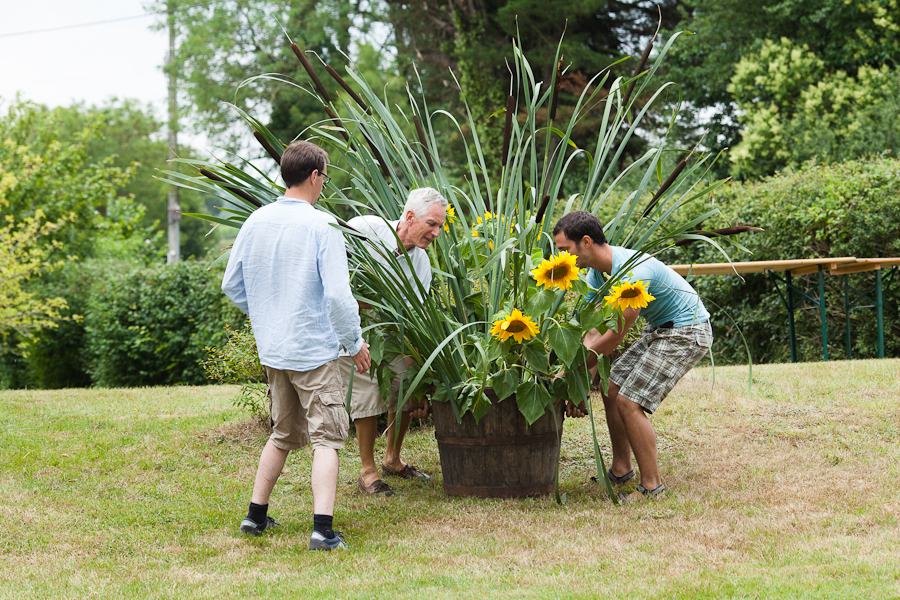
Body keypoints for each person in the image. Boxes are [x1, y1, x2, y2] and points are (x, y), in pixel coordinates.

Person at [222, 140, 371, 550]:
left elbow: (232, 285)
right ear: (315, 176)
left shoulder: (255, 221)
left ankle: (255, 516)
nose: (325, 183)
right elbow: (339, 298)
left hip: (273, 349)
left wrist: (270, 314)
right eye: (326, 176)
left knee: (283, 432)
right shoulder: (322, 226)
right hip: (313, 349)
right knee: (327, 437)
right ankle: (322, 530)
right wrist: (354, 342)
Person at [553, 211, 712, 502]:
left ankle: (652, 488)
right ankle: (621, 468)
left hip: (688, 331)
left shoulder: (632, 275)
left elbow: (613, 337)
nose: (562, 258)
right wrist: (579, 385)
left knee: (629, 401)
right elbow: (592, 331)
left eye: (565, 250)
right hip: (659, 330)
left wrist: (570, 376)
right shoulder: (596, 273)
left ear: (586, 242)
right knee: (611, 386)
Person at [343, 188, 448, 496]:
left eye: (440, 226)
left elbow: (415, 318)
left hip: (391, 336)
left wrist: (413, 368)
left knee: (403, 378)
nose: (436, 232)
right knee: (365, 383)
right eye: (432, 224)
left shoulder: (421, 264)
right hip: (354, 330)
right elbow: (335, 273)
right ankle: (367, 470)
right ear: (410, 216)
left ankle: (392, 457)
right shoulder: (366, 229)